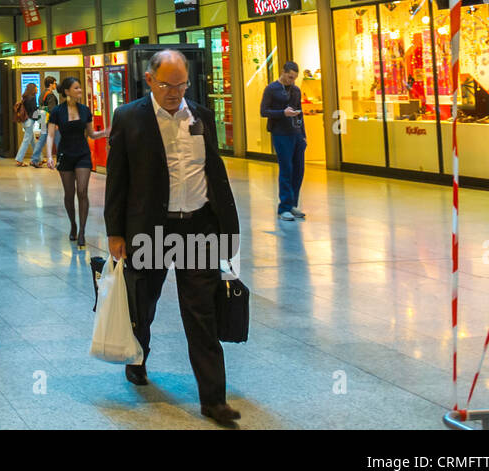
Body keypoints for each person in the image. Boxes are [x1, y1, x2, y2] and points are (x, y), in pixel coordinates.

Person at [104, 50, 242, 426]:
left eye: (181, 84)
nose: (175, 92)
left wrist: (225, 228)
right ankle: (137, 357)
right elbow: (117, 179)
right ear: (149, 80)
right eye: (167, 84)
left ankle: (213, 400)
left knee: (202, 314)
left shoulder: (201, 115)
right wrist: (115, 232)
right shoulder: (129, 117)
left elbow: (213, 171)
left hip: (199, 226)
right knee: (143, 302)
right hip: (152, 229)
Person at [46, 76, 107, 248]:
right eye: (76, 88)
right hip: (65, 154)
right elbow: (51, 135)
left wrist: (105, 132)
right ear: (67, 91)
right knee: (69, 193)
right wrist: (50, 156)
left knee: (82, 191)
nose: (80, 91)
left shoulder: (85, 110)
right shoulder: (57, 111)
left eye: (80, 88)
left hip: (82, 154)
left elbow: (92, 134)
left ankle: (82, 231)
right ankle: (73, 224)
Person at [262, 61, 307, 223]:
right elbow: (264, 111)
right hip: (280, 134)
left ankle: (292, 203)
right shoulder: (271, 89)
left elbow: (300, 113)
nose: (291, 81)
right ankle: (284, 208)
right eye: (289, 77)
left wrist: (303, 135)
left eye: (294, 78)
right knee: (286, 169)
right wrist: (282, 113)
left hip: (296, 134)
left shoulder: (296, 90)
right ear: (283, 72)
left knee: (299, 170)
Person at [31, 76, 59, 168]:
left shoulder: (42, 93)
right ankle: (61, 160)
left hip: (43, 119)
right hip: (50, 121)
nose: (55, 85)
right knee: (59, 139)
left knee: (42, 140)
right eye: (54, 83)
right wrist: (55, 122)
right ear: (50, 84)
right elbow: (52, 109)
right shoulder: (50, 95)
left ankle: (34, 159)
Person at [14, 82, 39, 166]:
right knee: (26, 141)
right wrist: (37, 118)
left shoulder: (25, 98)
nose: (37, 89)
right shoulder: (32, 98)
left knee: (32, 141)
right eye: (36, 87)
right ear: (33, 89)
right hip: (30, 121)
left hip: (25, 121)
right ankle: (19, 159)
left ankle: (39, 158)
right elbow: (34, 110)